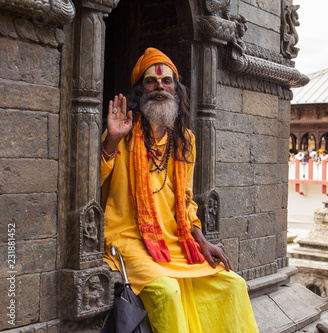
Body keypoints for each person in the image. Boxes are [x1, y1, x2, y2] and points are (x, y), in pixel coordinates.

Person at [101, 48, 258, 332]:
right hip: (131, 241)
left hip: (176, 242)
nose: (159, 87)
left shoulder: (185, 140)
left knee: (233, 285)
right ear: (140, 91)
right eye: (151, 81)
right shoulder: (123, 132)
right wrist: (111, 140)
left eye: (166, 81)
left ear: (176, 89)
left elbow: (185, 201)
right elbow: (96, 181)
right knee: (168, 291)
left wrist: (202, 241)